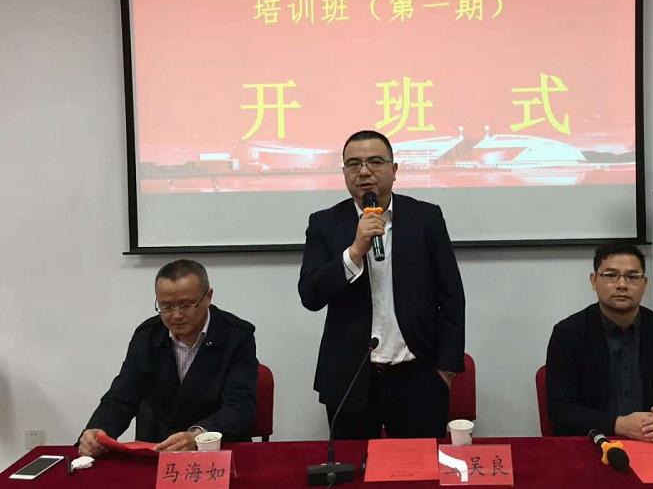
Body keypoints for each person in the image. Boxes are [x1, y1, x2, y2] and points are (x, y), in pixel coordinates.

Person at [298, 130, 465, 439]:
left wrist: (446, 369)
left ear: (394, 169)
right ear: (344, 173)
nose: (364, 171)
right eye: (354, 164)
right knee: (354, 463)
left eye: (375, 161)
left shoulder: (425, 217)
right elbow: (310, 294)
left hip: (418, 374)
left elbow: (452, 296)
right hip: (352, 376)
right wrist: (354, 251)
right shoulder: (324, 223)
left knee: (418, 463)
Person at [78, 260, 257, 456]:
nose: (176, 315)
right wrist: (98, 431)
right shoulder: (147, 336)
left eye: (186, 305)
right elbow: (122, 397)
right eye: (167, 306)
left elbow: (240, 406)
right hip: (157, 447)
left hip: (215, 450)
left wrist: (198, 436)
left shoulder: (236, 336)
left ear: (208, 297)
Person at [546, 243, 653, 440]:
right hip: (593, 442)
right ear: (594, 281)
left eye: (632, 277)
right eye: (611, 275)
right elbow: (560, 409)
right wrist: (618, 425)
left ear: (644, 284)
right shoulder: (568, 333)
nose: (622, 284)